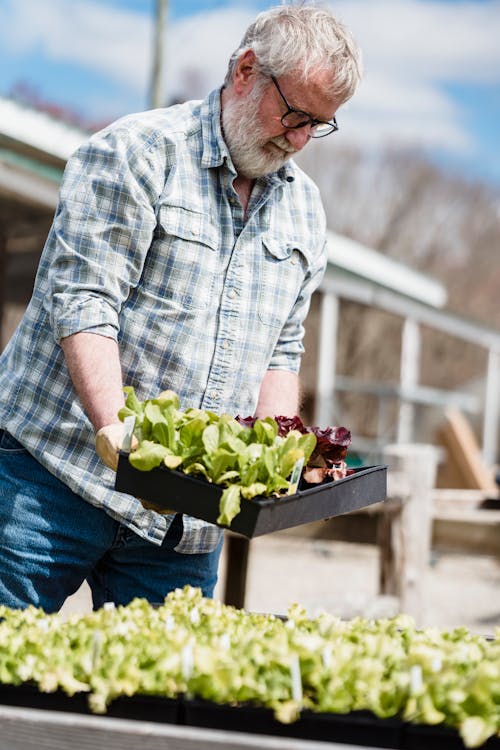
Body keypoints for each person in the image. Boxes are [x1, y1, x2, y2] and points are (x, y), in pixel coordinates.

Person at [0, 4, 362, 612]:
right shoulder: (136, 153)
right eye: (294, 113)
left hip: (184, 522)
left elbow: (281, 347)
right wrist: (116, 425)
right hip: (51, 479)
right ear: (246, 70)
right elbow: (85, 298)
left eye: (318, 125)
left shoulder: (306, 210)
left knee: (161, 699)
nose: (299, 139)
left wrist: (275, 455)